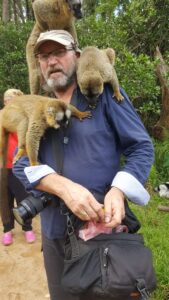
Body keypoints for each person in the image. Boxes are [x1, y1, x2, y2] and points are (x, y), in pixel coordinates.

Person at [13, 30, 154, 300]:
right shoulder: (37, 106)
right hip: (56, 234)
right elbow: (19, 162)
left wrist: (119, 190)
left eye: (58, 53)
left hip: (104, 233)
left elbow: (141, 146)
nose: (51, 61)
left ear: (76, 57)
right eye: (43, 56)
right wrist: (61, 186)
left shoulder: (101, 95)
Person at [0, 89, 36, 246]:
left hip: (19, 166)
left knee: (24, 198)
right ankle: (7, 230)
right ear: (6, 101)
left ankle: (27, 227)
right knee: (4, 200)